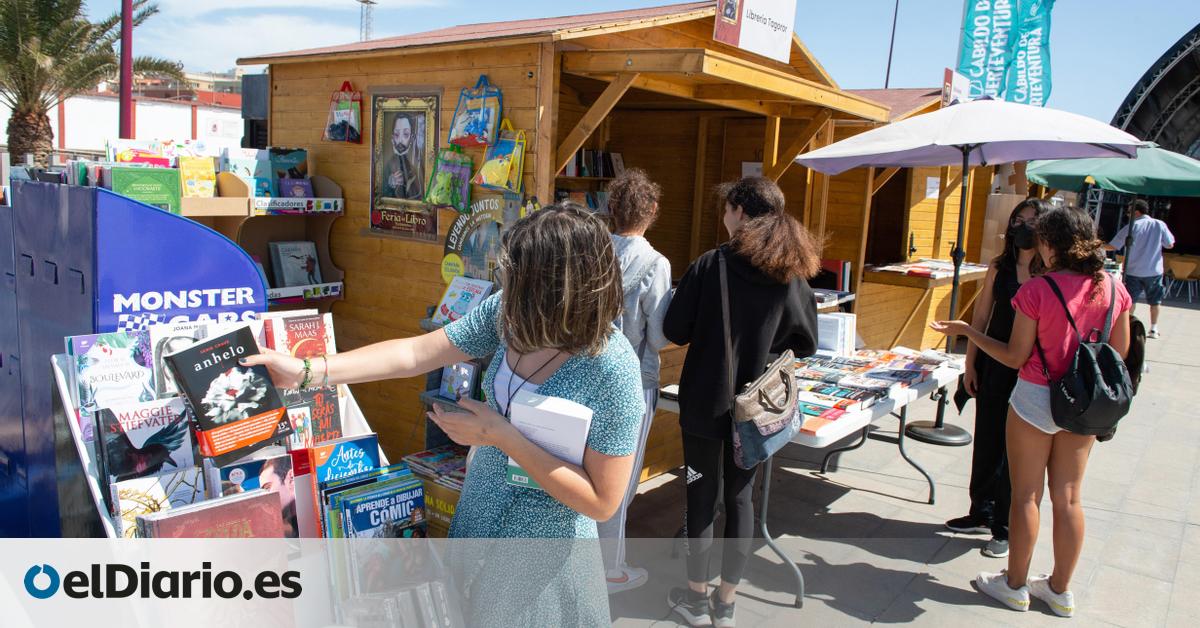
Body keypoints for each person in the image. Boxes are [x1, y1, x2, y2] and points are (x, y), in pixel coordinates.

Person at [245, 203, 645, 625]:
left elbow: (602, 501)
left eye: (518, 281)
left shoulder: (612, 368)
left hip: (542, 555)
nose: (506, 288)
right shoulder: (511, 314)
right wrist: (310, 371)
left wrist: (500, 436)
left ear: (561, 290)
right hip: (479, 515)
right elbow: (416, 352)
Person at [930, 206, 1131, 618]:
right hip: (1085, 405)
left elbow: (1015, 355)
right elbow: (1120, 353)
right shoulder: (1111, 287)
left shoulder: (1037, 290)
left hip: (1037, 398)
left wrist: (969, 333)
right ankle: (1059, 591)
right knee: (1070, 498)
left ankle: (1015, 584)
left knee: (1026, 496)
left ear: (1050, 243)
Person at [663, 177, 820, 628]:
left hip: (704, 405)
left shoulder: (710, 265)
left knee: (700, 495)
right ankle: (726, 605)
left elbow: (675, 330)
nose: (724, 216)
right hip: (759, 411)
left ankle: (695, 599)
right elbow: (806, 342)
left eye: (727, 209)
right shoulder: (789, 272)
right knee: (740, 499)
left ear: (739, 211)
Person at [945, 199, 1048, 559]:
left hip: (1030, 370)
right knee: (987, 440)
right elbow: (982, 317)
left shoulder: (1048, 272)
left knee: (1014, 452)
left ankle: (1004, 529)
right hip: (993, 362)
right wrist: (969, 365)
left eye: (1032, 222)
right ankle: (981, 512)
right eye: (1018, 220)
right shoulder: (999, 266)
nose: (1023, 227)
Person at [598, 168, 673, 594]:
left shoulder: (593, 253)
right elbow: (659, 335)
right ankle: (609, 570)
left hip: (587, 374)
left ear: (611, 209)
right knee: (619, 480)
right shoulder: (655, 263)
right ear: (654, 211)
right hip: (632, 380)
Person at [1104, 199, 1174, 338]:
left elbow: (1113, 246)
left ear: (1136, 212)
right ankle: (1154, 328)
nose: (1127, 214)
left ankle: (1128, 327)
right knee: (1155, 301)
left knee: (1131, 301)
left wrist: (1095, 246)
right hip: (1154, 270)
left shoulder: (1132, 226)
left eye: (1128, 212)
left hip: (1133, 270)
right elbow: (1170, 244)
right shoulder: (1160, 224)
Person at [382, 113, 425, 199]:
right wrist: (390, 184)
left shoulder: (418, 162)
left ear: (412, 138)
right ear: (392, 138)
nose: (400, 140)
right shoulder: (389, 164)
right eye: (397, 135)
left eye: (405, 134)